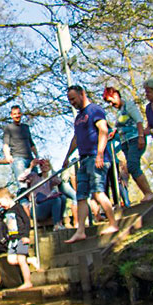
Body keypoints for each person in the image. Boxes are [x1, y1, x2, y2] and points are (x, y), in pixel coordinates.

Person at [62, 84, 118, 243]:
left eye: (73, 98)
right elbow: (76, 139)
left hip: (97, 157)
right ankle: (80, 231)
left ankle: (113, 223)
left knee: (98, 192)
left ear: (82, 94)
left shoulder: (94, 110)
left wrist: (100, 153)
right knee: (80, 196)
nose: (72, 102)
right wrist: (67, 157)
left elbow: (103, 130)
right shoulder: (78, 118)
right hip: (83, 159)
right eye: (69, 100)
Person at [102, 86, 153, 202]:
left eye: (110, 101)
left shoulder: (129, 105)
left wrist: (141, 136)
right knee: (132, 167)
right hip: (125, 142)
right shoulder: (119, 112)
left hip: (135, 138)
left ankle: (148, 193)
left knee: (132, 165)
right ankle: (147, 193)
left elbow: (139, 121)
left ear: (115, 95)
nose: (110, 104)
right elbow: (123, 125)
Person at [0, 187, 35, 289]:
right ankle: (31, 260)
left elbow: (27, 221)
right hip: (12, 239)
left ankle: (28, 282)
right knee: (11, 260)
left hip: (21, 237)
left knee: (21, 259)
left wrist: (26, 236)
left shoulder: (18, 208)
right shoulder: (6, 211)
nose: (0, 206)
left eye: (0, 203)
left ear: (6, 198)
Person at [19, 159, 66, 232]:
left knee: (62, 198)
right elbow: (21, 179)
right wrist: (31, 166)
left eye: (46, 165)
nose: (44, 167)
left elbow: (58, 181)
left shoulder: (50, 179)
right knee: (56, 200)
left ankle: (59, 223)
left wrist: (52, 169)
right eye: (42, 165)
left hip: (48, 206)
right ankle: (56, 224)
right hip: (37, 208)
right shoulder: (34, 176)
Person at [3, 105, 38, 192]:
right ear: (11, 115)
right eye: (15, 114)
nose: (17, 116)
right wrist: (7, 155)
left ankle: (35, 205)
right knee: (23, 185)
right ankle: (24, 205)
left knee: (36, 185)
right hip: (18, 158)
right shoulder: (9, 128)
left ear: (21, 114)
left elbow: (31, 143)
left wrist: (37, 156)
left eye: (18, 113)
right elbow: (6, 144)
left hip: (30, 159)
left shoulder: (26, 127)